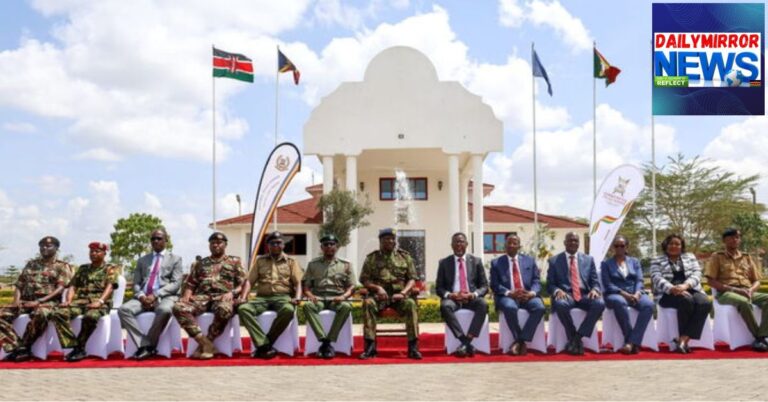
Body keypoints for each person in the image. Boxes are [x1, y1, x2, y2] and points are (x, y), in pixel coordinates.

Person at [172, 232, 245, 360]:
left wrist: (232, 293)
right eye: (213, 243)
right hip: (203, 298)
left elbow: (243, 284)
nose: (216, 245)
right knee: (178, 307)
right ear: (209, 245)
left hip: (223, 297)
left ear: (225, 245)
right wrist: (187, 295)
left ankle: (207, 344)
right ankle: (204, 343)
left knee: (225, 309)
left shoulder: (235, 261)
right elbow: (190, 283)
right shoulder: (201, 263)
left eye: (219, 242)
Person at [1, 236, 73, 362]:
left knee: (41, 314)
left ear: (56, 248)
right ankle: (17, 346)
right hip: (25, 302)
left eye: (48, 246)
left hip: (47, 302)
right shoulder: (31, 264)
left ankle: (25, 347)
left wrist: (39, 301)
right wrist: (16, 301)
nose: (44, 248)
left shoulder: (62, 266)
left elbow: (60, 288)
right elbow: (19, 285)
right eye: (42, 245)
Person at [118, 228, 183, 360]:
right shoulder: (143, 260)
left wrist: (156, 294)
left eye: (159, 238)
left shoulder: (175, 259)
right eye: (153, 239)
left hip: (165, 296)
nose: (155, 241)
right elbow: (136, 283)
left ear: (166, 240)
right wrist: (141, 296)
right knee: (123, 310)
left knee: (165, 310)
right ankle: (145, 345)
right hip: (143, 297)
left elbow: (176, 283)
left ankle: (149, 345)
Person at [238, 231, 302, 359]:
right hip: (262, 298)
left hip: (282, 297)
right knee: (243, 309)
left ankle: (264, 344)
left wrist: (298, 297)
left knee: (288, 310)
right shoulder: (260, 261)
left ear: (283, 245)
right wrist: (243, 298)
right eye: (273, 243)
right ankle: (265, 345)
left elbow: (298, 282)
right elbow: (249, 281)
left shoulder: (291, 261)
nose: (276, 245)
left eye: (279, 243)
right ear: (268, 245)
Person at [359, 228, 421, 360]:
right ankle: (370, 348)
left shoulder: (405, 257)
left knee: (411, 304)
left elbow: (412, 279)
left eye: (392, 239)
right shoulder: (372, 258)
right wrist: (377, 288)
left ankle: (413, 348)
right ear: (380, 241)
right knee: (368, 303)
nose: (390, 241)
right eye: (386, 239)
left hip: (399, 297)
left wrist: (403, 293)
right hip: (379, 297)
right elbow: (364, 279)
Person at [52, 242, 120, 362]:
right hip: (81, 302)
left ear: (104, 253)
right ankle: (74, 345)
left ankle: (80, 347)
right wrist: (68, 301)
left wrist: (100, 301)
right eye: (91, 251)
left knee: (90, 316)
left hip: (100, 303)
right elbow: (73, 286)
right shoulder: (83, 268)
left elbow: (110, 287)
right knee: (58, 313)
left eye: (97, 251)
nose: (93, 254)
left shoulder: (111, 268)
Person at [705, 228, 768, 352]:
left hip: (747, 291)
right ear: (724, 240)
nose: (735, 240)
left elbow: (757, 280)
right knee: (743, 302)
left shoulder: (747, 257)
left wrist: (751, 290)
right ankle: (758, 337)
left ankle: (762, 335)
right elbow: (710, 281)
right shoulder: (717, 257)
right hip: (726, 293)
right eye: (731, 237)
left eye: (737, 237)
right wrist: (733, 289)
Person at [650, 234, 711, 354]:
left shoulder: (690, 257)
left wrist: (685, 286)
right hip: (667, 293)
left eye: (677, 244)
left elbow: (697, 273)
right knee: (686, 301)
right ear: (666, 245)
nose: (674, 246)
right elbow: (656, 277)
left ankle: (683, 339)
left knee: (705, 302)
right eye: (671, 244)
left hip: (690, 288)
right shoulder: (657, 260)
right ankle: (683, 342)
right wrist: (672, 288)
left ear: (682, 246)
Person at [546, 232, 604, 355]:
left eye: (575, 241)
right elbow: (550, 284)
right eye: (570, 240)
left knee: (599, 303)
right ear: (565, 242)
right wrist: (557, 290)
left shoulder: (588, 260)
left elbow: (595, 281)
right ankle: (574, 336)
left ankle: (577, 338)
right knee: (560, 304)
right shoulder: (554, 261)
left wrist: (595, 289)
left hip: (584, 294)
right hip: (566, 295)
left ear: (579, 243)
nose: (573, 243)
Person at [490, 233, 544, 356]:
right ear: (505, 245)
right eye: (509, 243)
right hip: (508, 296)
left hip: (527, 295)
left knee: (539, 307)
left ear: (519, 246)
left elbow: (536, 281)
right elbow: (494, 284)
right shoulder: (496, 263)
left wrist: (532, 293)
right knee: (510, 307)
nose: (511, 245)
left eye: (514, 243)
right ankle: (520, 341)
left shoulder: (530, 260)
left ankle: (520, 340)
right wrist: (509, 293)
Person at [435, 232, 488, 357]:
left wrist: (473, 294)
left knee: (483, 304)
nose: (459, 245)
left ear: (467, 244)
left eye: (461, 242)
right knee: (445, 306)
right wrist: (450, 295)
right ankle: (465, 342)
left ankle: (467, 340)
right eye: (456, 242)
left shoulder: (476, 261)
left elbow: (485, 286)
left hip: (471, 298)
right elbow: (439, 288)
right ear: (451, 245)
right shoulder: (444, 263)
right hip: (453, 299)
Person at [301, 234, 354, 359]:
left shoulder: (346, 264)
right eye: (326, 244)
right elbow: (306, 286)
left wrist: (344, 297)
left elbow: (352, 286)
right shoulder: (313, 264)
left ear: (337, 247)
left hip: (336, 299)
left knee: (346, 307)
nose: (329, 246)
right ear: (321, 247)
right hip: (318, 298)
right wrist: (310, 295)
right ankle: (324, 340)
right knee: (308, 306)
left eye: (332, 244)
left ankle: (328, 341)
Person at [600, 235, 654, 354]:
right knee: (620, 302)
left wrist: (637, 293)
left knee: (648, 304)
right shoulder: (606, 264)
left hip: (634, 293)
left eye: (622, 245)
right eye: (616, 246)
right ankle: (631, 340)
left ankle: (631, 342)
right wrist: (624, 294)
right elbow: (608, 284)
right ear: (613, 248)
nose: (619, 248)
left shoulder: (634, 262)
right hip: (615, 294)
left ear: (627, 247)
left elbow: (639, 280)